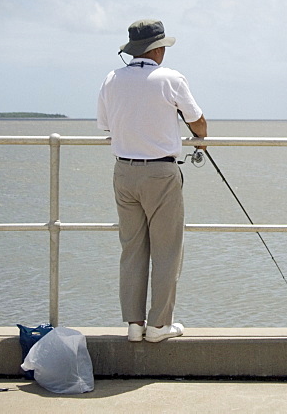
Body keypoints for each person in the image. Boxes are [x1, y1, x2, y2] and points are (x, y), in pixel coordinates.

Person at [96, 19, 207, 343]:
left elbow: (105, 125)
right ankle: (159, 325)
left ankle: (134, 324)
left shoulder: (111, 79)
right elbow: (196, 120)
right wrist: (201, 139)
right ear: (157, 49)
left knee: (132, 249)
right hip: (160, 173)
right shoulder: (170, 78)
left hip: (124, 171)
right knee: (167, 250)